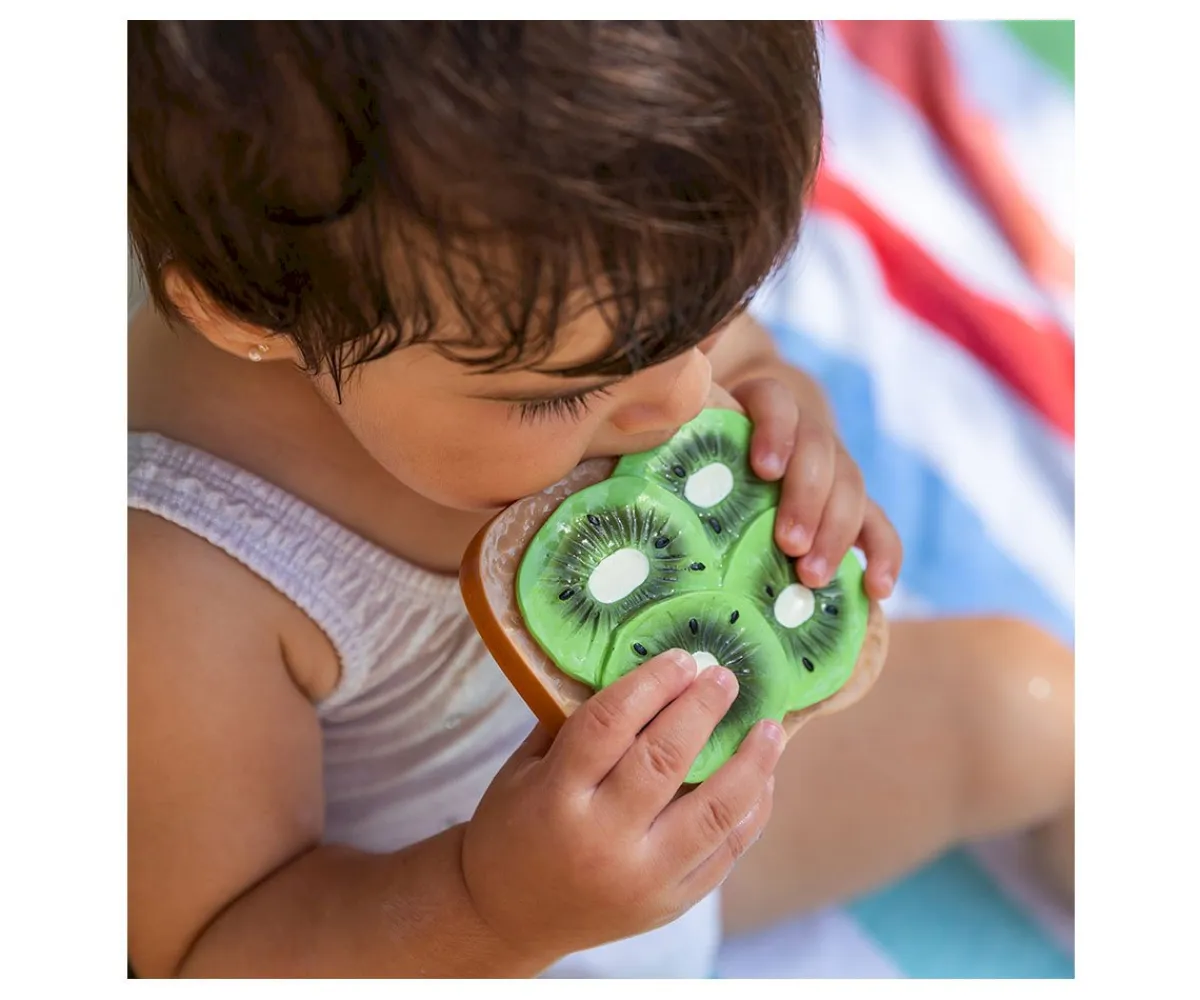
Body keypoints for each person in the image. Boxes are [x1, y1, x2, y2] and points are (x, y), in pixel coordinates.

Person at [127, 21, 1074, 978]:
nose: (675, 403)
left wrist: (786, 409)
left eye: (705, 318)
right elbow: (215, 954)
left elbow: (719, 360)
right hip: (453, 936)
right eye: (566, 391)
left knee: (1038, 705)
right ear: (251, 313)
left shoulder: (558, 263)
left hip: (690, 797)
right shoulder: (176, 579)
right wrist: (493, 908)